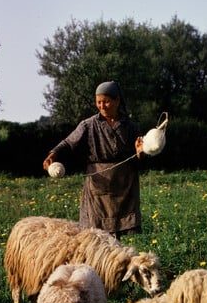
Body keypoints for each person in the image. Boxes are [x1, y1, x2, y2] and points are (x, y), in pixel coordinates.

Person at [43, 81, 146, 238]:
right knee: (97, 235)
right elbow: (69, 143)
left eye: (106, 101)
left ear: (117, 100)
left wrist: (141, 154)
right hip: (98, 184)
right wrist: (54, 153)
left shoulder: (131, 127)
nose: (102, 106)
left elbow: (141, 159)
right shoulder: (88, 125)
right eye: (98, 102)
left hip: (124, 184)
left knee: (122, 236)